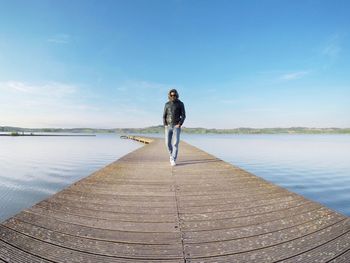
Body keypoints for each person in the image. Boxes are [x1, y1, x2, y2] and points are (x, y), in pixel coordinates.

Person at [163, 89, 186, 166]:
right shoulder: (167, 104)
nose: (173, 96)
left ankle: (173, 158)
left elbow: (183, 115)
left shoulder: (180, 104)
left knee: (175, 143)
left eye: (174, 95)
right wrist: (165, 124)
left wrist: (180, 124)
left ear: (176, 95)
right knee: (167, 143)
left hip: (176, 126)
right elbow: (164, 116)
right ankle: (171, 155)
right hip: (168, 126)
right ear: (169, 95)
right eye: (171, 95)